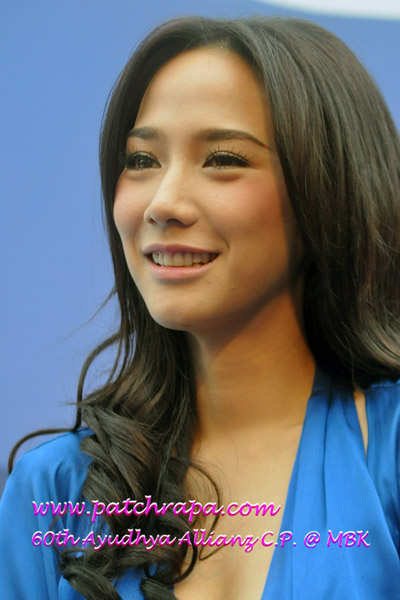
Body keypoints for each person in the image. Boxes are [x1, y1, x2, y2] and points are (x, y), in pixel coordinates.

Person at [0, 14, 399, 600]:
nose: (163, 203)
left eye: (223, 159)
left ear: (329, 186)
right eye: (141, 160)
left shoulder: (387, 452)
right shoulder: (55, 489)